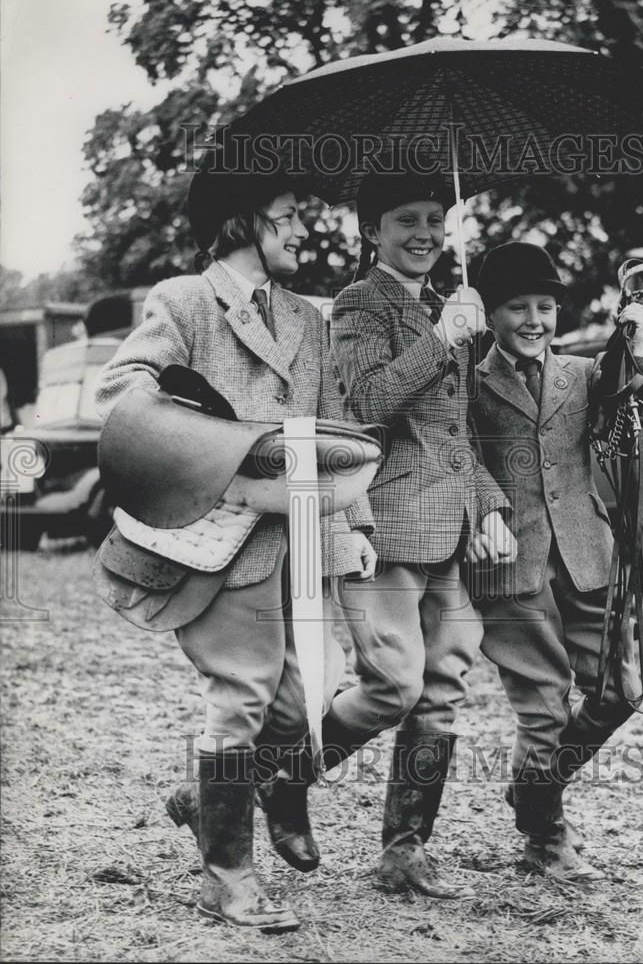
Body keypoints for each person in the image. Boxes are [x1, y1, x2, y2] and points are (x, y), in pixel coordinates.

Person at [94, 167, 376, 933]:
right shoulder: (183, 301)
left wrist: (351, 534)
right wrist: (223, 442)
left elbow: (336, 438)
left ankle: (201, 795)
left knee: (300, 712)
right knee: (244, 697)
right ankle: (229, 874)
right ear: (241, 222)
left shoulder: (308, 321)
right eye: (286, 217)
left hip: (299, 539)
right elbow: (121, 393)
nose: (300, 231)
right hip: (216, 539)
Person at [269, 172, 517, 899]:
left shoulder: (450, 306)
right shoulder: (357, 305)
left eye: (435, 219)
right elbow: (361, 405)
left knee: (439, 692)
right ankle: (270, 779)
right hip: (385, 524)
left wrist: (490, 504)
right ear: (370, 233)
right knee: (392, 686)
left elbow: (458, 431)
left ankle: (404, 852)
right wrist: (440, 342)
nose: (424, 233)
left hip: (451, 530)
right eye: (405, 219)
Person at [468, 242, 643, 881]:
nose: (533, 320)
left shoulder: (585, 374)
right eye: (516, 307)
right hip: (510, 562)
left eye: (545, 307)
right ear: (488, 312)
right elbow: (458, 454)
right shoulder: (467, 380)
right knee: (542, 709)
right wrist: (488, 509)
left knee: (623, 691)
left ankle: (532, 791)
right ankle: (544, 834)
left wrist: (634, 354)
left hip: (589, 555)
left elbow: (635, 437)